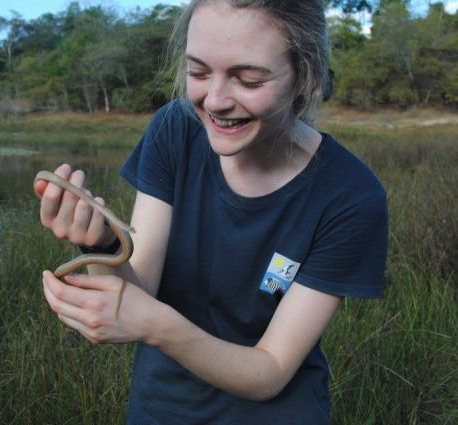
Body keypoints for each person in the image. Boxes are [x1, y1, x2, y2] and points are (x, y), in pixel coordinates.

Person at [35, 0, 388, 423]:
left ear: (304, 76)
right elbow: (138, 290)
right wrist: (102, 242)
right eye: (199, 72)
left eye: (249, 80)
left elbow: (270, 371)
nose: (215, 101)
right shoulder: (175, 130)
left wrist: (157, 327)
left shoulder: (351, 197)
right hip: (160, 408)